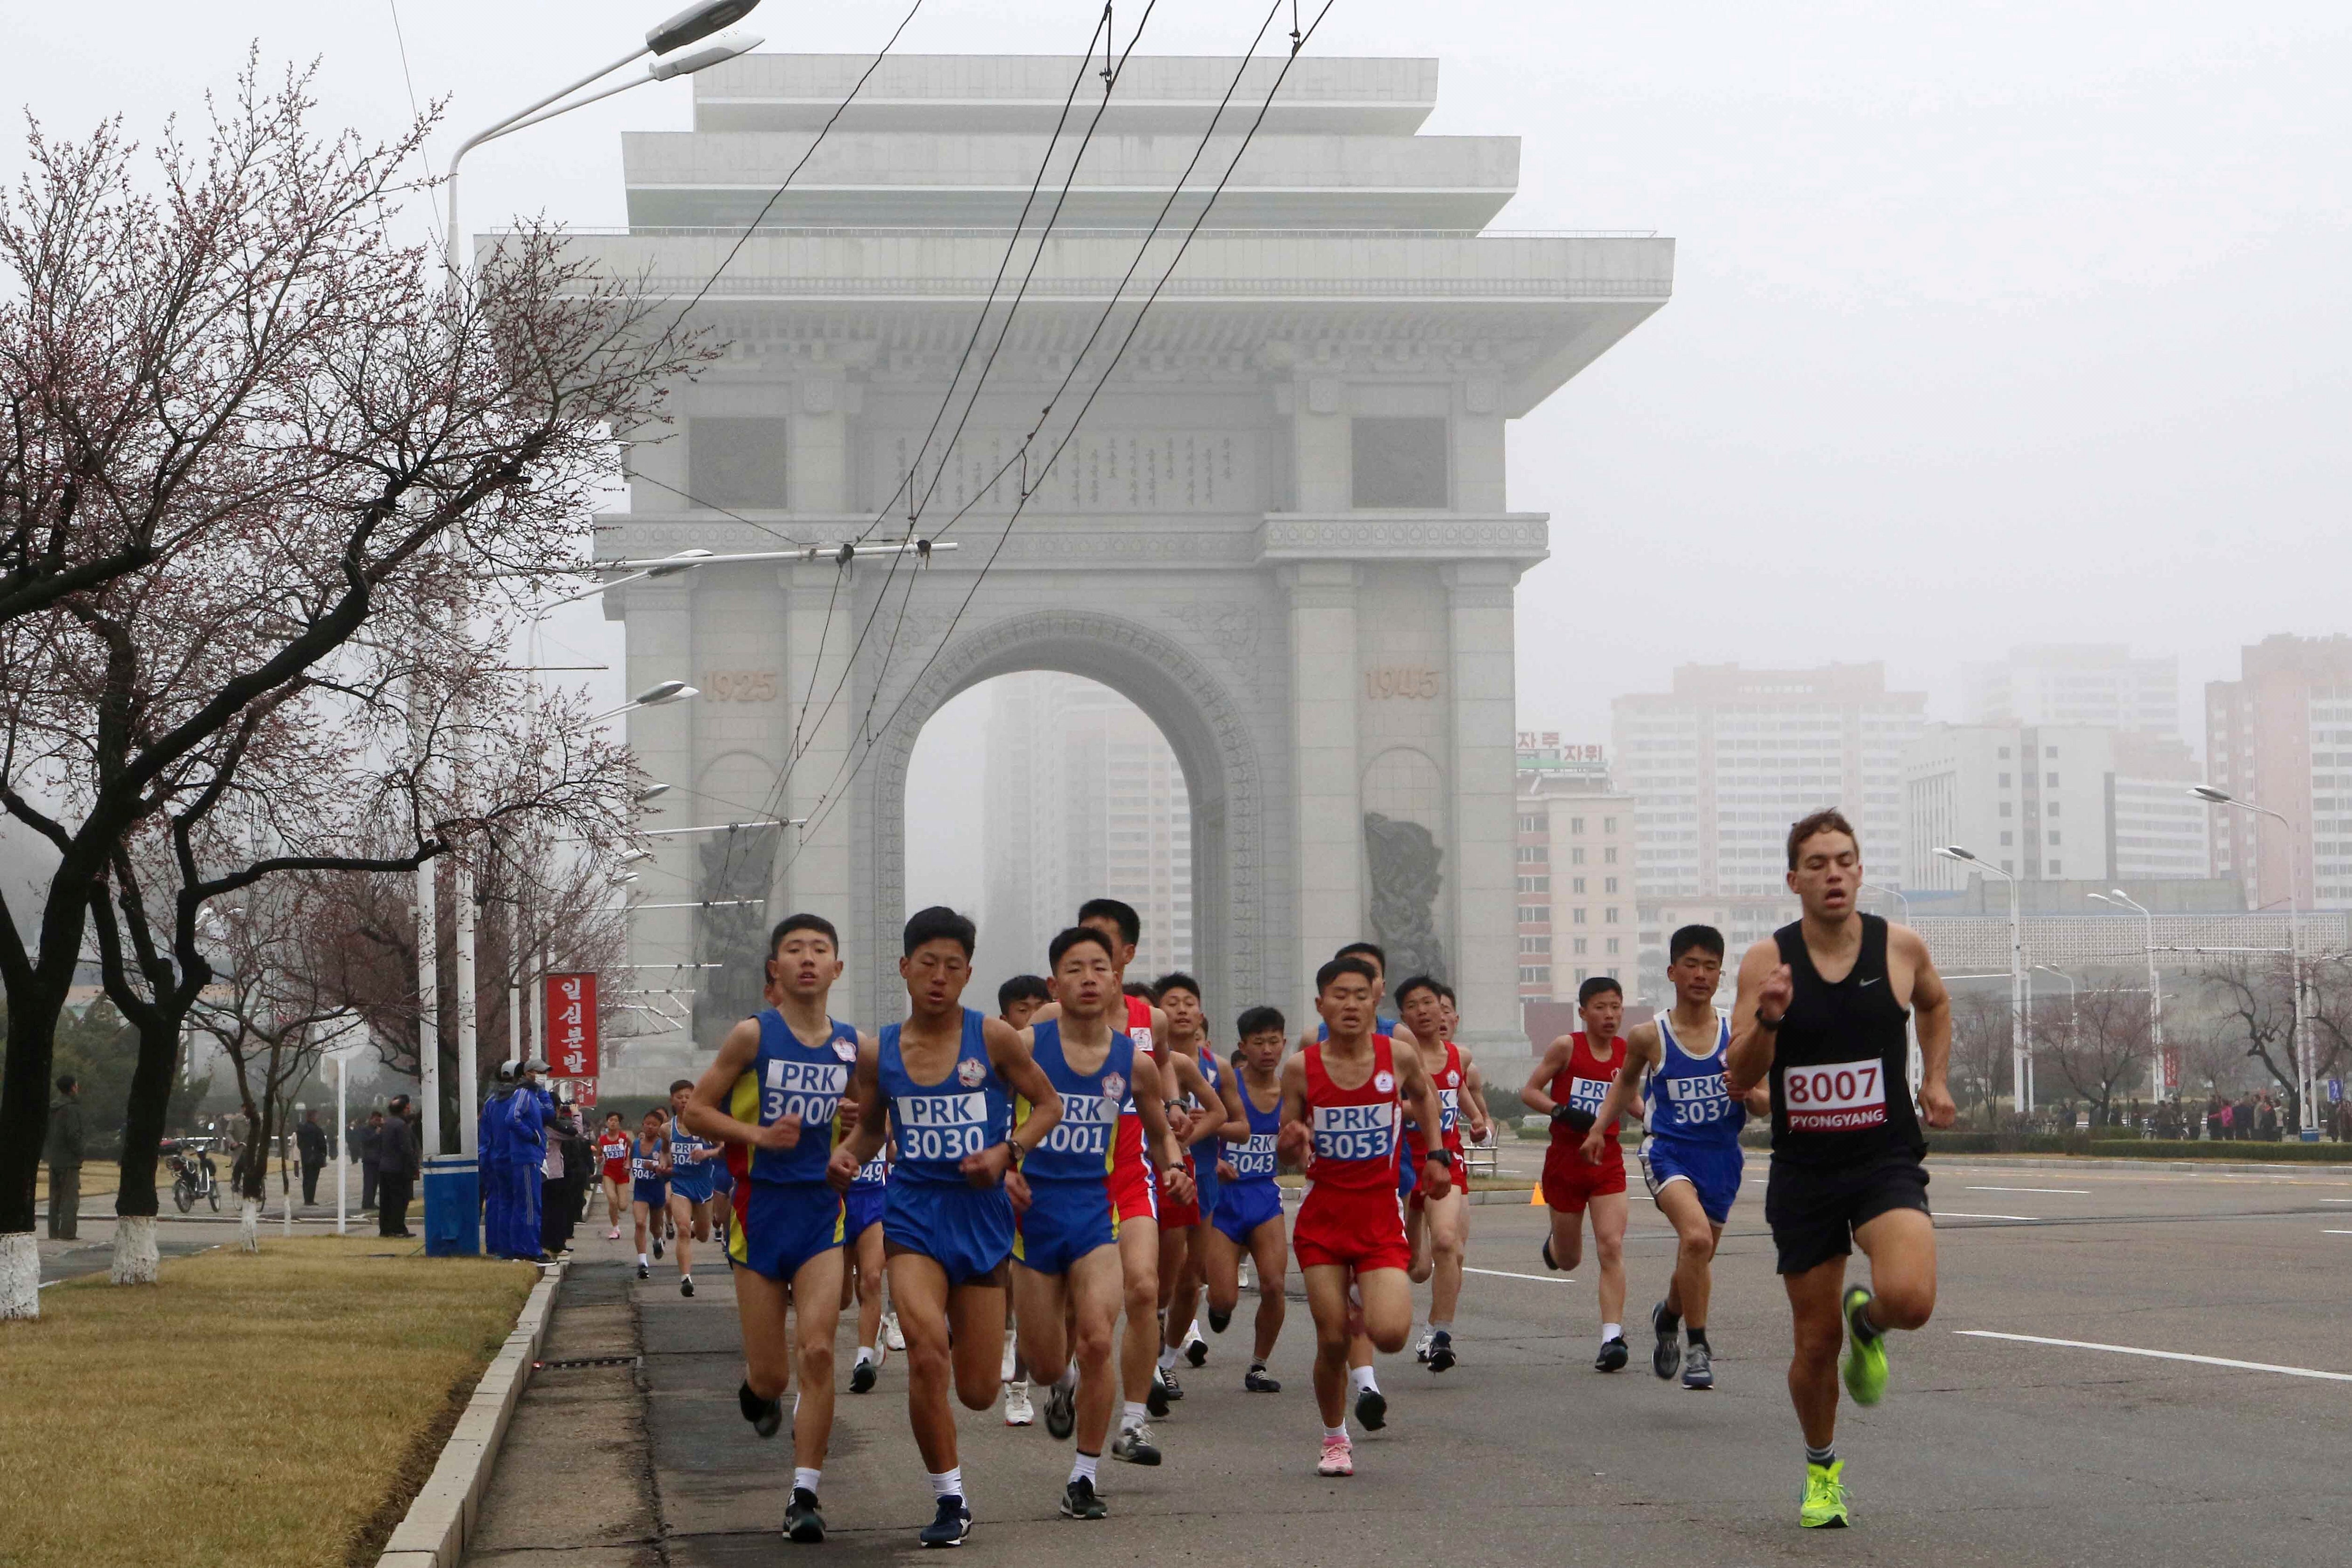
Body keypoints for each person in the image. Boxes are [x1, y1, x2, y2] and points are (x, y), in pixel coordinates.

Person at [1724, 808, 1956, 1530]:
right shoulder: (1770, 959)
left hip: (1883, 1156)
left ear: (1860, 870)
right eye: (1818, 863)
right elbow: (1740, 1073)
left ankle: (1874, 1322)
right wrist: (1767, 1019)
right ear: (1794, 879)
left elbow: (1937, 1002)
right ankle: (1822, 1469)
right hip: (1806, 1169)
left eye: (1845, 860)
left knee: (1912, 1299)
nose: (1834, 873)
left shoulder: (1900, 946)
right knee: (1813, 1342)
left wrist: (1937, 1078)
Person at [826, 906, 1064, 1549]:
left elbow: (1048, 1103)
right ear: (904, 968)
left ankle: (1020, 1366)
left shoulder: (993, 1038)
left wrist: (1007, 1151)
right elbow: (874, 1125)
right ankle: (949, 1497)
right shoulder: (879, 1050)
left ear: (967, 974)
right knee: (927, 1352)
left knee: (981, 1390)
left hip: (982, 1218)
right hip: (914, 1213)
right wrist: (852, 1150)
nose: (938, 977)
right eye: (926, 963)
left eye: (952, 966)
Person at [683, 913, 870, 1544]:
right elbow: (695, 1115)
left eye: (821, 948)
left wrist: (855, 1132)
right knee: (773, 1376)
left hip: (822, 1214)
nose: (809, 958)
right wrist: (758, 1134)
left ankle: (805, 1495)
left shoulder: (854, 1046)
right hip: (758, 1217)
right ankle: (758, 1391)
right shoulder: (751, 1036)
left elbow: (879, 1122)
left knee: (818, 1350)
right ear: (776, 968)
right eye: (795, 949)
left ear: (837, 968)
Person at [1011, 925, 1192, 1520]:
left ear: (1115, 979)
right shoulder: (1022, 1045)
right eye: (1073, 968)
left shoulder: (1131, 1062)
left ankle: (1084, 1475)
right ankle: (1057, 1383)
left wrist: (1171, 1167)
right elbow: (983, 1107)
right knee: (1043, 1362)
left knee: (1095, 1338)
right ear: (1052, 983)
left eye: (1098, 967)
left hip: (1096, 1214)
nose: (1088, 978)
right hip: (1033, 1218)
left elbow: (1159, 1127)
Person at [1280, 954, 1451, 1477]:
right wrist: (1292, 1141)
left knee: (1394, 1334)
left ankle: (1362, 1299)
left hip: (1379, 1216)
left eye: (1359, 994)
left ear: (1375, 1000)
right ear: (1320, 1005)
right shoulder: (1300, 1067)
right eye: (1338, 995)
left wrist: (1438, 1155)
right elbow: (1286, 1143)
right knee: (1331, 1338)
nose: (1350, 1004)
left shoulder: (1397, 1056)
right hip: (1323, 1219)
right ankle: (1334, 1438)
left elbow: (1425, 1100)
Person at [1584, 925, 1768, 1391]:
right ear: (1671, 971)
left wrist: (1748, 1091)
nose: (1700, 974)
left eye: (1710, 966)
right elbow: (1624, 1084)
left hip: (1722, 1158)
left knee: (1697, 1254)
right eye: (1691, 964)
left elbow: (1765, 1100)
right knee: (1696, 1239)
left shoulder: (1737, 1032)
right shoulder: (1650, 1035)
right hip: (1668, 1152)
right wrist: (1597, 1128)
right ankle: (1699, 1349)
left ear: (1720, 974)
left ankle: (1667, 1316)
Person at [1523, 976, 1635, 1370]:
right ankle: (1555, 1246)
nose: (1610, 1015)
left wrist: (1662, 1120)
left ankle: (1612, 1339)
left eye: (1616, 1007)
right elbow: (1530, 1091)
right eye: (1601, 1008)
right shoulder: (1567, 1046)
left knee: (1611, 1245)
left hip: (1608, 1161)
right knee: (1570, 1260)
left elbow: (1632, 1100)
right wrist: (1560, 1111)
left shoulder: (1627, 1051)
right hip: (1565, 1162)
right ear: (1584, 1012)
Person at [1152, 972, 1246, 1387]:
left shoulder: (1215, 1066)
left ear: (1202, 1012)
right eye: (1172, 1002)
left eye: (1189, 1002)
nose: (1183, 1009)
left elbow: (1237, 1123)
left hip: (1201, 1176)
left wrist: (1197, 1131)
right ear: (1156, 1015)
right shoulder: (1139, 1058)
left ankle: (1167, 1361)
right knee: (1152, 1275)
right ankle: (1147, 1357)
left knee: (1190, 1278)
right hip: (1149, 1174)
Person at [1393, 976, 1490, 1373]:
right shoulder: (1396, 1060)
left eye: (1429, 1002)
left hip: (1447, 1162)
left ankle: (1441, 1336)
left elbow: (1460, 1093)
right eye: (1413, 1005)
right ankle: (1414, 1214)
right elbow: (1394, 1104)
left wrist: (1478, 1120)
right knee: (1418, 1270)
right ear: (1403, 1017)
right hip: (1405, 1167)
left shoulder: (1458, 1057)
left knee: (1450, 1245)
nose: (1423, 1011)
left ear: (1443, 1008)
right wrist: (1420, 1107)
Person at [1201, 1005, 1291, 1393]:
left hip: (1264, 1195)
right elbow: (1198, 1129)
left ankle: (1258, 1365)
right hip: (1223, 1200)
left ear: (1283, 1044)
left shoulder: (1291, 1091)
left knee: (1274, 1285)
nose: (1267, 1050)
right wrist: (1216, 1161)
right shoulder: (1226, 1085)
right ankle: (1218, 1306)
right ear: (1243, 1046)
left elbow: (1297, 1147)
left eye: (1274, 1041)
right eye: (1259, 1042)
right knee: (1224, 1299)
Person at [992, 973, 1050, 1424]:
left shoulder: (1065, 1059)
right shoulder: (1000, 1068)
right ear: (1005, 1018)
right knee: (1011, 1277)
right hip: (1013, 1185)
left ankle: (1058, 1377)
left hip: (1069, 1188)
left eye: (1038, 1007)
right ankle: (1018, 1386)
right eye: (1021, 1009)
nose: (1030, 1017)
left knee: (1064, 1302)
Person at [666, 1077, 722, 1296]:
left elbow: (723, 1149)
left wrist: (706, 1153)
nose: (684, 1101)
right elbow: (663, 1150)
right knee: (682, 1229)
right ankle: (686, 1278)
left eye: (688, 1097)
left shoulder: (705, 1126)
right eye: (680, 1098)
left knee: (703, 1235)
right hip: (680, 1183)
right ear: (672, 1100)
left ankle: (694, 1226)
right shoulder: (667, 1129)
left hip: (704, 1184)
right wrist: (664, 1163)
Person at [629, 1109, 672, 1277]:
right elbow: (630, 1159)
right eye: (647, 1123)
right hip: (641, 1191)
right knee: (640, 1223)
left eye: (654, 1125)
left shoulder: (663, 1145)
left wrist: (656, 1168)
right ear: (643, 1125)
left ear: (660, 1128)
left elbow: (670, 1170)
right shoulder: (636, 1144)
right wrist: (628, 1167)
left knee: (656, 1228)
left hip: (657, 1191)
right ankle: (642, 1263)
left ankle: (657, 1241)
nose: (650, 1127)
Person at [45, 1075, 85, 1241]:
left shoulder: (53, 1108)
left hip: (54, 1158)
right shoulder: (72, 1108)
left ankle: (53, 1232)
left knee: (54, 1198)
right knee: (70, 1199)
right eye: (76, 1085)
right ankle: (68, 1233)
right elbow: (73, 1135)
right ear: (72, 1088)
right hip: (69, 1160)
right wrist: (80, 1153)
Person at [376, 1095, 419, 1238]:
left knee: (386, 1200)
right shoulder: (401, 1126)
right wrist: (414, 1168)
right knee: (400, 1200)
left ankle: (386, 1229)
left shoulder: (386, 1124)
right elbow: (406, 1149)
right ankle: (398, 1228)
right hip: (399, 1169)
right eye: (408, 1107)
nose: (409, 1110)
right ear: (403, 1109)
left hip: (385, 1167)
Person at [597, 1112, 634, 1240]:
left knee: (623, 1206)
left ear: (619, 1124)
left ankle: (616, 1211)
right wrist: (599, 1159)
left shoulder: (625, 1138)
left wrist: (629, 1163)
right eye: (611, 1120)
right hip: (609, 1173)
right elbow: (599, 1156)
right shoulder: (602, 1140)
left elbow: (634, 1150)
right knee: (612, 1200)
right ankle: (615, 1229)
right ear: (607, 1123)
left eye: (616, 1121)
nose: (613, 1123)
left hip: (622, 1174)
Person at [295, 1108, 328, 1208]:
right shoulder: (317, 1130)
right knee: (313, 1180)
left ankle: (307, 1199)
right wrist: (323, 1154)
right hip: (315, 1158)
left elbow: (300, 1144)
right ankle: (311, 1199)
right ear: (313, 1117)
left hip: (305, 1157)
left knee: (306, 1179)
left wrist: (305, 1152)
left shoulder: (302, 1130)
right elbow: (322, 1144)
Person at [356, 1110, 384, 1213]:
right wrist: (376, 1135)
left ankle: (371, 1202)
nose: (377, 1122)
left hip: (379, 1160)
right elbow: (365, 1141)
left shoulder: (381, 1129)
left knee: (376, 1183)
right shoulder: (365, 1130)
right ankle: (367, 1203)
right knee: (369, 1183)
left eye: (379, 1120)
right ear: (371, 1119)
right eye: (376, 1120)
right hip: (369, 1160)